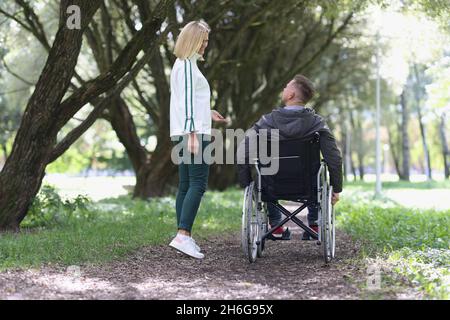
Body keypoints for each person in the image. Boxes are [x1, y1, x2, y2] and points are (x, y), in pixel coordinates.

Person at [237, 75, 342, 240]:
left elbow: (244, 151)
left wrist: (246, 183)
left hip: (273, 185)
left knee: (266, 173)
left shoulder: (266, 122)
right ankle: (314, 224)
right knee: (315, 174)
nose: (283, 89)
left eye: (286, 87)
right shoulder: (317, 124)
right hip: (307, 184)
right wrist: (337, 188)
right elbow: (334, 158)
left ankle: (276, 226)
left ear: (291, 94)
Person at [169, 21, 228, 259]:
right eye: (203, 41)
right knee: (198, 183)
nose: (205, 46)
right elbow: (187, 103)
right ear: (193, 41)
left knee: (185, 184)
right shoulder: (187, 66)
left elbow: (188, 101)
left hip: (184, 131)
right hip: (192, 134)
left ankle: (183, 236)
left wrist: (208, 112)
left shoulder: (183, 65)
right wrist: (193, 133)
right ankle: (183, 235)